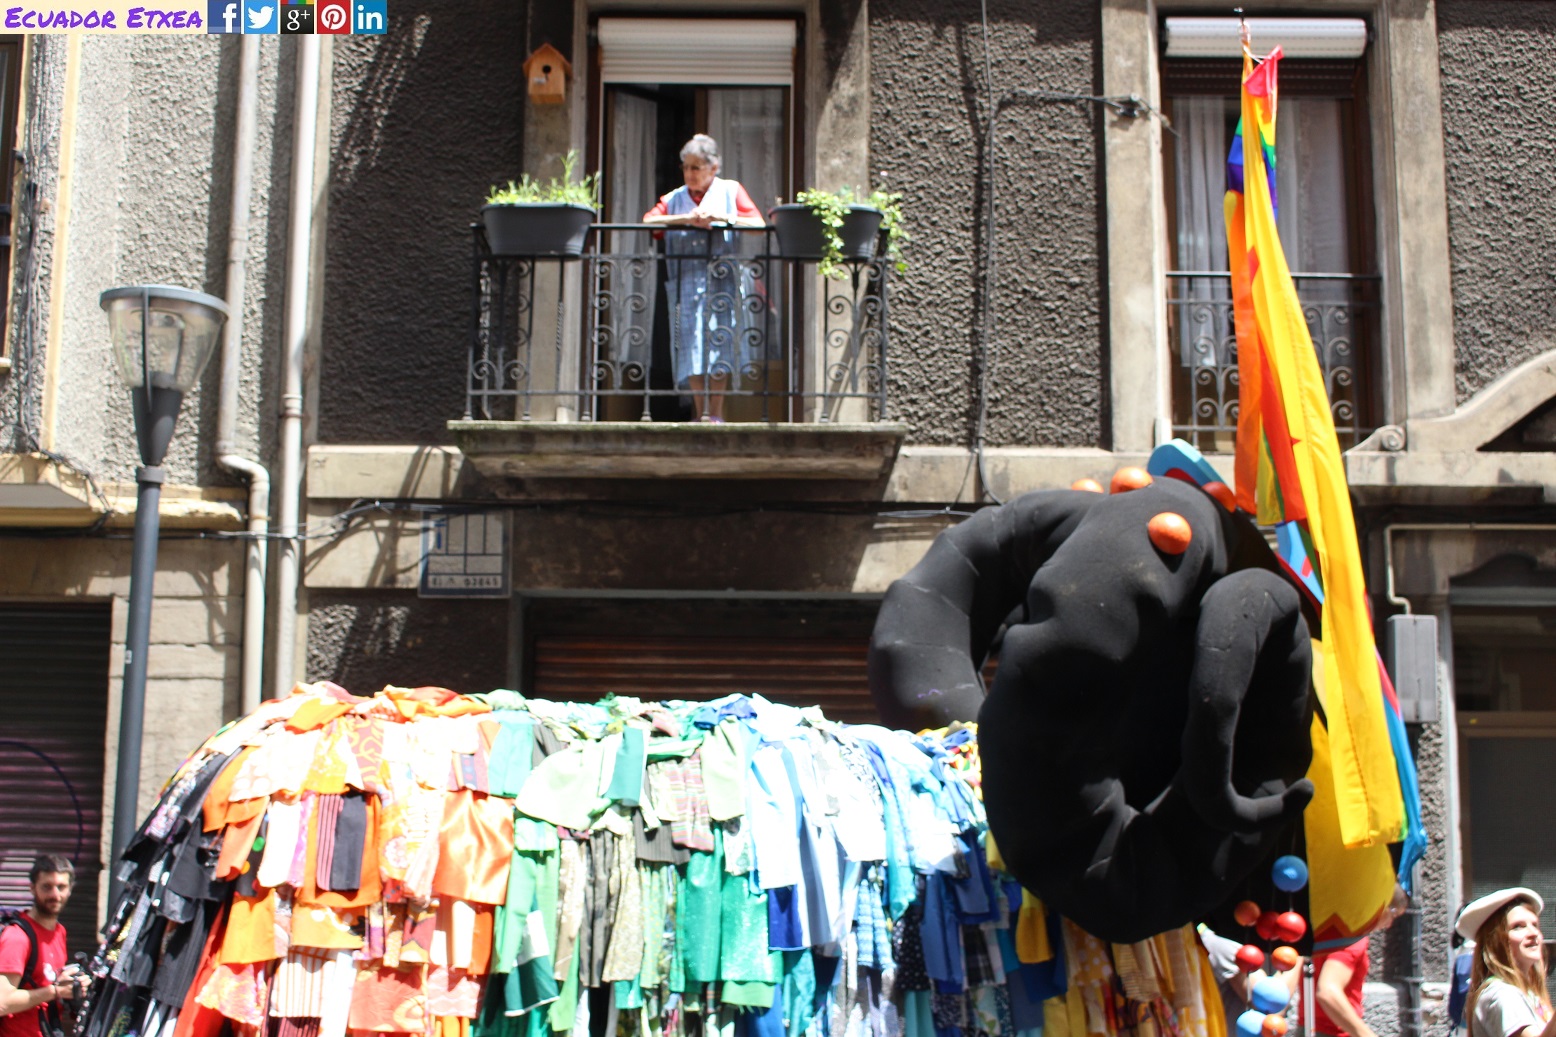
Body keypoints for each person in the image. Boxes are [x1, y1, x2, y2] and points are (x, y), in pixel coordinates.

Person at [643, 133, 765, 422]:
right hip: (686, 284)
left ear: (714, 167)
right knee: (691, 347)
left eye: (696, 167)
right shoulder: (674, 198)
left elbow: (758, 224)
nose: (690, 174)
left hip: (722, 284)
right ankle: (701, 414)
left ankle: (716, 414)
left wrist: (721, 218)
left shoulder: (731, 190)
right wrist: (686, 219)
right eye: (686, 167)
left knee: (720, 345)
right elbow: (649, 221)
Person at [1300, 885, 1410, 1037]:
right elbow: (1328, 992)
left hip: (1307, 1027)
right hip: (1334, 1032)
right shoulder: (1351, 939)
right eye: (1393, 914)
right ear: (1380, 906)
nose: (1390, 924)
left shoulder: (1328, 930)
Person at [0, 855, 88, 1037]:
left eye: (61, 887)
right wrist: (55, 991)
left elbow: (44, 982)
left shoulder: (59, 931)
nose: (55, 895)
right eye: (47, 887)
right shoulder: (17, 937)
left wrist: (71, 986)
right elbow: (2, 1002)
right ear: (32, 888)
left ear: (70, 889)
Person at [1457, 887, 1556, 1037]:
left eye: (1535, 925)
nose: (1533, 933)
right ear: (1494, 941)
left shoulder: (1527, 994)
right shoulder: (1502, 994)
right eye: (1518, 927)